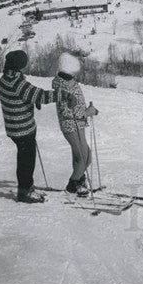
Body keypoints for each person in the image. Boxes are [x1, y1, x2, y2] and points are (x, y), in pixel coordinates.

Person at [0, 48, 69, 203]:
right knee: (26, 161)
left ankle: (25, 187)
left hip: (13, 128)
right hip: (23, 129)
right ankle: (25, 191)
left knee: (23, 158)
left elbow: (22, 96)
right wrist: (63, 95)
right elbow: (42, 95)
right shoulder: (17, 83)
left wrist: (30, 98)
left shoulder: (3, 80)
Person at [51, 52, 98, 196]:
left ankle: (79, 180)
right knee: (84, 158)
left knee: (83, 157)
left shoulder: (69, 82)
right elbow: (67, 111)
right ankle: (73, 184)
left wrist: (86, 111)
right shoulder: (63, 86)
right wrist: (88, 112)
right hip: (71, 126)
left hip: (79, 125)